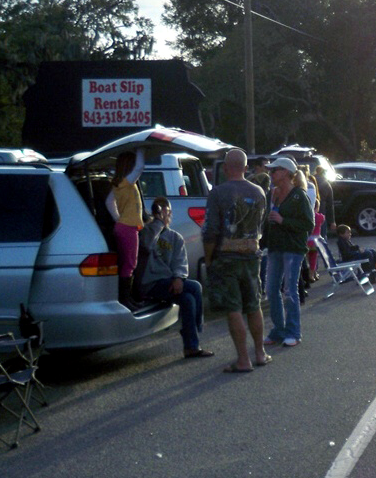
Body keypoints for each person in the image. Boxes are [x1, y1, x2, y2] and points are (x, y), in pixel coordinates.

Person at [204, 148, 269, 373]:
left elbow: (210, 231)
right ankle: (260, 353)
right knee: (253, 304)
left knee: (234, 308)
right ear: (245, 167)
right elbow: (261, 226)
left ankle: (243, 359)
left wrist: (210, 258)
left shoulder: (218, 193)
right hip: (252, 255)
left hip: (227, 257)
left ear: (225, 168)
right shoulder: (259, 192)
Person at [140, 197, 211, 358]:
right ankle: (197, 328)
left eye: (168, 211)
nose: (166, 214)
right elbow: (147, 245)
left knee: (188, 299)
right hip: (151, 283)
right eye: (162, 211)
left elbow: (180, 261)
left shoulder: (175, 237)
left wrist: (178, 277)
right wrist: (158, 222)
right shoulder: (148, 232)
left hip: (170, 283)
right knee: (195, 287)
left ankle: (191, 346)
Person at [264, 156, 315, 348]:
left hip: (293, 248)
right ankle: (278, 330)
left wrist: (283, 221)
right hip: (275, 247)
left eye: (274, 170)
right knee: (271, 289)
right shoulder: (273, 193)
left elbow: (308, 224)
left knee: (289, 290)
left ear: (285, 172)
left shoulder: (298, 196)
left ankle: (293, 331)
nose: (271, 174)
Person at [105, 147, 146, 308]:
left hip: (123, 226)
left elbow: (108, 202)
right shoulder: (128, 183)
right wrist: (141, 151)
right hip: (128, 227)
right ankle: (125, 300)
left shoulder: (119, 184)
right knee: (129, 265)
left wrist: (118, 219)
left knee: (127, 264)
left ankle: (127, 299)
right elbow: (140, 168)